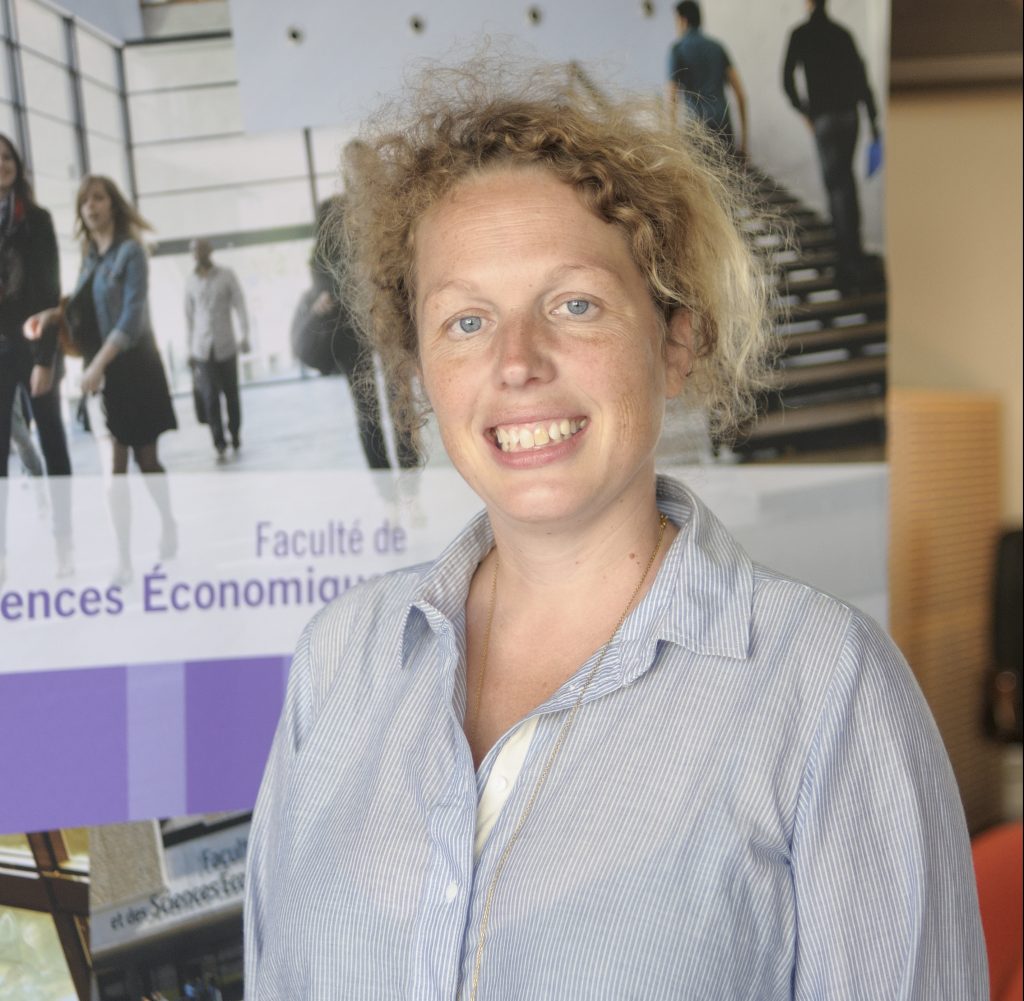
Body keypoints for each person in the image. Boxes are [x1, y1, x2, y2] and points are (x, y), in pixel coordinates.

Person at [244, 61, 987, 1000]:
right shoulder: (339, 661)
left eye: (575, 304)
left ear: (676, 340)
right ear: (420, 375)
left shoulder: (825, 688)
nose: (517, 361)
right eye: (466, 321)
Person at [25, 175, 177, 582]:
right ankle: (124, 560)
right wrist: (51, 316)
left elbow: (131, 318)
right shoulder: (90, 255)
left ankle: (167, 522)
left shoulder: (131, 253)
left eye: (99, 198)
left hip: (135, 368)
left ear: (113, 205)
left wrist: (96, 367)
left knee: (147, 460)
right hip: (103, 373)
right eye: (85, 201)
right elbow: (81, 307)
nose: (91, 206)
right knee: (114, 468)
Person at [291, 195, 418, 470]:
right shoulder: (326, 256)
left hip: (378, 330)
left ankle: (402, 462)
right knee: (371, 406)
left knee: (390, 400)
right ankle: (388, 467)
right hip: (353, 336)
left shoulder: (362, 245)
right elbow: (332, 292)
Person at [0, 133, 72, 581]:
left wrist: (45, 359)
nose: (2, 164)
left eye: (7, 156)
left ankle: (64, 541)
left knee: (52, 441)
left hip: (35, 347)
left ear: (18, 164)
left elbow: (49, 293)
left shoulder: (37, 220)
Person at [783, 0, 881, 293]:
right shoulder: (842, 33)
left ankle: (848, 261)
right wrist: (873, 120)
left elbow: (786, 79)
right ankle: (854, 255)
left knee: (836, 186)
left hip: (824, 118)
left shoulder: (800, 34)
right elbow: (861, 77)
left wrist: (805, 111)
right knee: (846, 182)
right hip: (850, 116)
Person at [185, 237, 250, 458]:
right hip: (201, 349)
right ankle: (218, 441)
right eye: (194, 250)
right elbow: (189, 318)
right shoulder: (190, 282)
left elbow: (240, 305)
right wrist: (189, 349)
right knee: (210, 396)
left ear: (210, 250)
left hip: (226, 346)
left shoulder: (226, 275)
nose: (198, 253)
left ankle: (235, 433)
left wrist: (245, 334)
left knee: (231, 394)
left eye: (201, 249)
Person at [666, 1, 748, 156]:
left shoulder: (678, 51)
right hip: (724, 127)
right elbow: (740, 94)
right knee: (726, 170)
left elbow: (672, 98)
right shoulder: (718, 47)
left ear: (683, 20)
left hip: (697, 131)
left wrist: (671, 142)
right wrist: (744, 141)